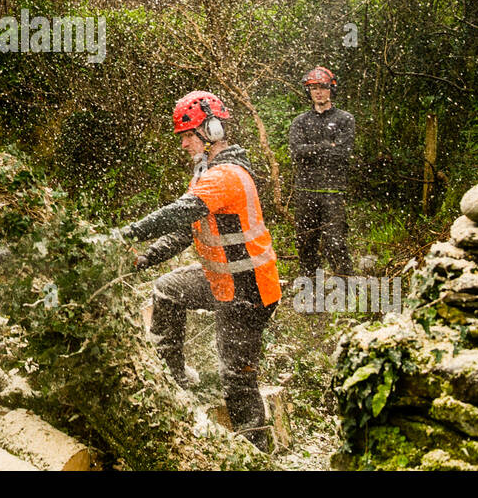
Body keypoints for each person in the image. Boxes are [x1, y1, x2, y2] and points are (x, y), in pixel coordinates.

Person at [115, 91, 281, 452]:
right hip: (222, 280)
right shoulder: (207, 174)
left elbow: (176, 213)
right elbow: (184, 229)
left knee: (236, 380)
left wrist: (126, 233)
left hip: (249, 290)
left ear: (213, 128)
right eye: (183, 136)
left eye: (190, 134)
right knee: (167, 289)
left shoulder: (226, 176)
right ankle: (175, 377)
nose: (185, 143)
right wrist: (145, 258)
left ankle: (257, 452)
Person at [287, 66, 355, 277]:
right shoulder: (300, 122)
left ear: (331, 89)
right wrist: (327, 146)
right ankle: (311, 293)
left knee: (335, 243)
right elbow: (296, 153)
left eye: (323, 87)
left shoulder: (345, 119)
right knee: (306, 243)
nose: (318, 92)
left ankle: (346, 287)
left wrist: (313, 150)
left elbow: (343, 153)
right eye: (314, 88)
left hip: (333, 191)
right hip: (305, 191)